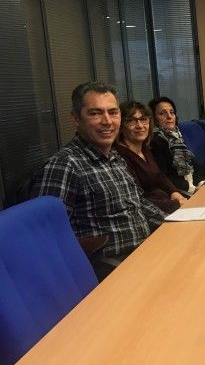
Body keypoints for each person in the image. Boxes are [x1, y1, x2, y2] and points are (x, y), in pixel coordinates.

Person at [30, 82, 166, 280]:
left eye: (113, 112)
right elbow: (48, 239)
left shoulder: (115, 158)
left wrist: (172, 225)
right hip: (113, 270)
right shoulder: (64, 166)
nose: (107, 121)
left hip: (146, 251)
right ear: (76, 118)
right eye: (95, 113)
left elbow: (140, 203)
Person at [115, 101, 187, 214]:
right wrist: (176, 204)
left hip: (167, 204)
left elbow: (160, 176)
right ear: (120, 126)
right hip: (152, 213)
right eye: (131, 120)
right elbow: (139, 198)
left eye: (143, 119)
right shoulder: (119, 155)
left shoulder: (145, 149)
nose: (140, 125)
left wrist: (175, 193)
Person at [149, 96, 205, 194]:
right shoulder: (155, 142)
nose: (169, 116)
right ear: (153, 119)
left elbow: (192, 165)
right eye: (162, 113)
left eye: (172, 112)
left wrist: (202, 182)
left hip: (193, 186)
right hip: (179, 192)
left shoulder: (176, 137)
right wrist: (192, 189)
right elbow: (164, 178)